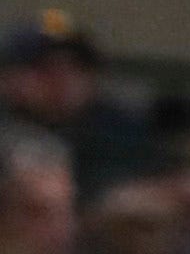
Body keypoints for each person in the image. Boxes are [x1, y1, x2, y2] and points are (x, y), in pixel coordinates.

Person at [4, 11, 151, 199]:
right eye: (46, 68)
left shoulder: (116, 125)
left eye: (78, 67)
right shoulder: (8, 128)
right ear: (7, 78)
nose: (65, 79)